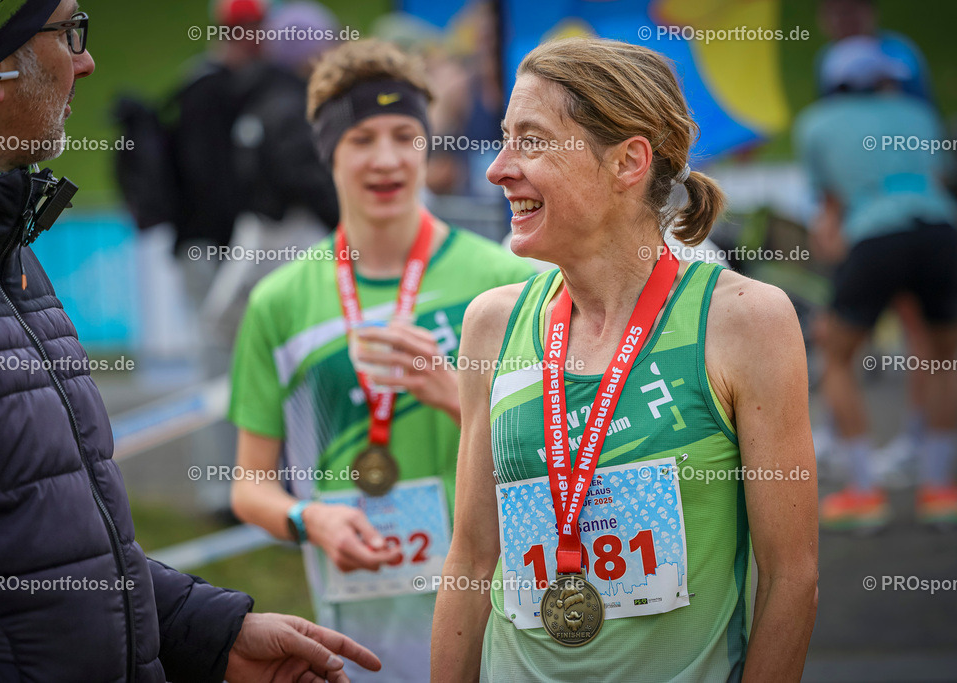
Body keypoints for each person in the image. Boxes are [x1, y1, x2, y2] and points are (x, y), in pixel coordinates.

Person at [0, 2, 380, 680]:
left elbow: (44, 539)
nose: (87, 61)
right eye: (70, 32)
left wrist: (207, 628)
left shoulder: (2, 241)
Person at [432, 37, 818, 681]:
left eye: (530, 140)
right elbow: (471, 561)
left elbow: (791, 578)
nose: (497, 168)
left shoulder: (746, 320)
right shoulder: (492, 325)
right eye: (503, 138)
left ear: (628, 161)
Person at [228, 39, 536, 681]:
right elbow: (249, 486)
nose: (388, 159)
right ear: (328, 152)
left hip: (502, 597)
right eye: (362, 138)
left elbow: (557, 452)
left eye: (405, 135)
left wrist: (455, 393)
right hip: (358, 617)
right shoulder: (279, 302)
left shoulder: (509, 280)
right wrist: (305, 517)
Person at [795, 37, 957, 529]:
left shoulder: (815, 124)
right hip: (940, 234)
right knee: (944, 355)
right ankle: (940, 491)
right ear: (883, 78)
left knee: (837, 352)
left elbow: (830, 209)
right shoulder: (918, 114)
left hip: (874, 239)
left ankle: (864, 493)